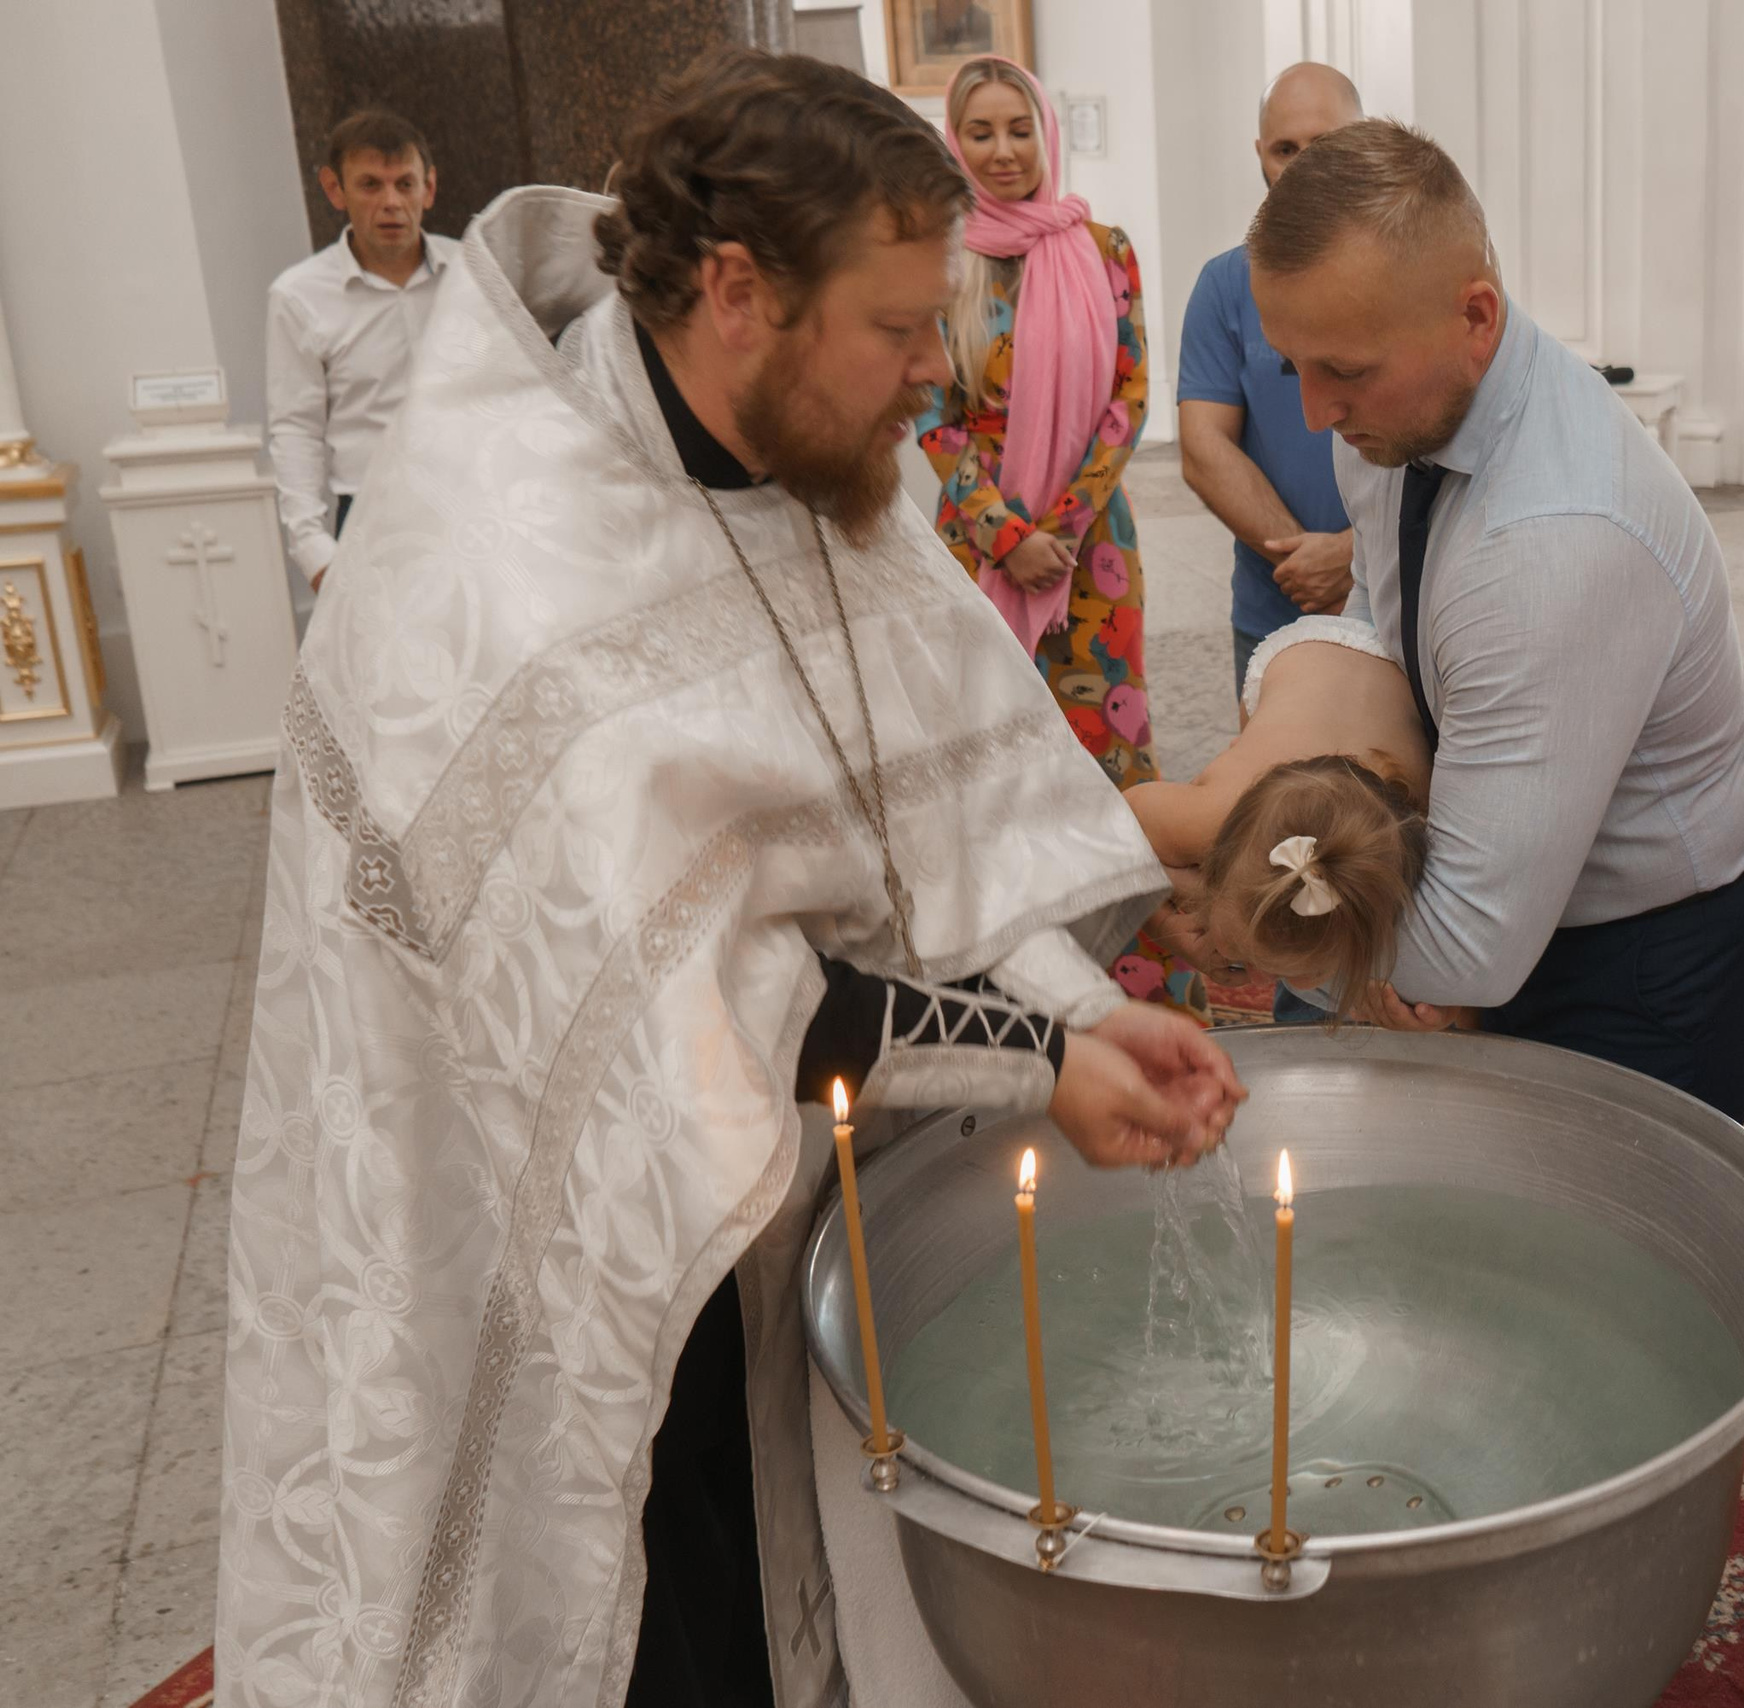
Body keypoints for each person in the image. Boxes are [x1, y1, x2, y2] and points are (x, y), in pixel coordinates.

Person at [216, 50, 1244, 1708]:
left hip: (791, 1171)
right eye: (903, 329)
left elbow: (933, 822)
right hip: (557, 1208)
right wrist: (1045, 1057)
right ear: (741, 290)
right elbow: (677, 1018)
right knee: (668, 1594)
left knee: (807, 1560)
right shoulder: (496, 563)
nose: (939, 374)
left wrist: (1080, 1007)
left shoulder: (835, 460)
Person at [1239, 120, 1744, 1121]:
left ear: (1476, 317)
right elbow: (1383, 638)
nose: (1317, 411)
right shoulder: (1392, 411)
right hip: (1490, 882)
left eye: (1345, 372)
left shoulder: (1556, 539)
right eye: (1294, 368)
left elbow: (1470, 946)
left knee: (1598, 1269)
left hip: (1643, 958)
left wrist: (1236, 909)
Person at [915, 55, 1154, 787]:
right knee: (987, 728)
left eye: (1020, 130)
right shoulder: (939, 261)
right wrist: (1009, 537)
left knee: (1103, 732)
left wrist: (1063, 527)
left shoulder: (1104, 249)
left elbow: (1129, 395)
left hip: (1090, 537)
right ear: (954, 142)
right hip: (977, 536)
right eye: (980, 133)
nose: (1004, 151)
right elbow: (932, 413)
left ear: (1046, 134)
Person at [1179, 62, 1366, 697]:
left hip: (1402, 605)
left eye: (1327, 145)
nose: (1305, 168)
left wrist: (1354, 557)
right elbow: (1205, 449)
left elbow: (1448, 435)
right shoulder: (1223, 286)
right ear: (1261, 155)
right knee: (1273, 791)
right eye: (1286, 149)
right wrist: (1302, 563)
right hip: (1271, 609)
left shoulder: (1414, 277)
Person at [1125, 614, 1429, 1004]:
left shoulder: (1399, 847)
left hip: (1390, 686)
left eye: (1292, 973)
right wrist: (1165, 920)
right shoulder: (1206, 815)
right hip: (1299, 656)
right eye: (1241, 956)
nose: (1255, 977)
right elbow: (1120, 824)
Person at [264, 108, 457, 592]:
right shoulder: (299, 296)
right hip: (373, 513)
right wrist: (313, 550)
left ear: (428, 189)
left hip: (473, 500)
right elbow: (296, 428)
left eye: (405, 184)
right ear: (335, 190)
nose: (391, 202)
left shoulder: (474, 272)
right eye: (371, 185)